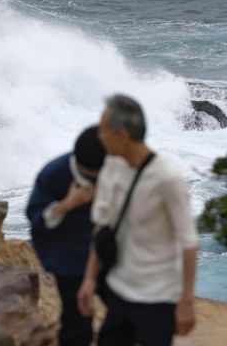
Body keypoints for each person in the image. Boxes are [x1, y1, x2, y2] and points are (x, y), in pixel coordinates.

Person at [78, 95, 199, 346]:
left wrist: (186, 301)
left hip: (158, 298)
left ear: (121, 135)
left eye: (103, 130)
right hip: (119, 291)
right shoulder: (111, 167)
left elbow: (188, 242)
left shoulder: (166, 179)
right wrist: (90, 279)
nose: (99, 136)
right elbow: (101, 227)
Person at [27, 125, 106, 346]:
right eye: (92, 174)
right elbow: (37, 221)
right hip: (67, 257)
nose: (97, 177)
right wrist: (68, 204)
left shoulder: (112, 168)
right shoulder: (54, 174)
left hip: (105, 252)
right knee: (77, 321)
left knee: (126, 310)